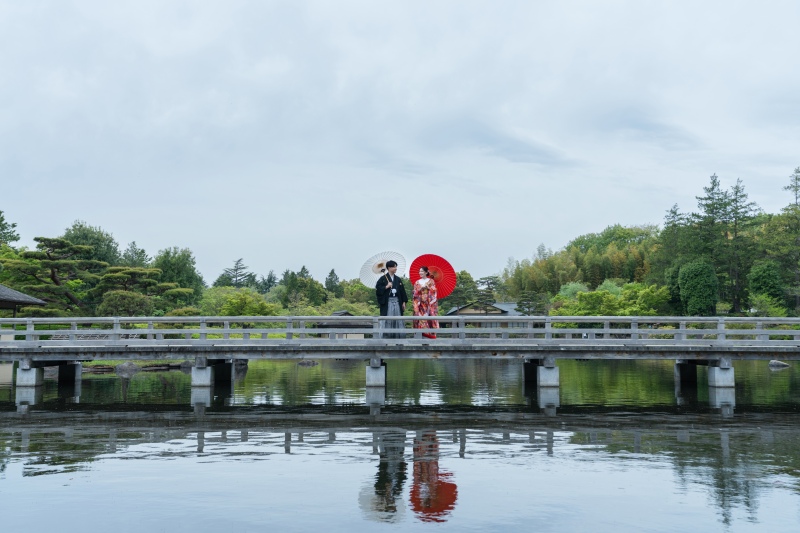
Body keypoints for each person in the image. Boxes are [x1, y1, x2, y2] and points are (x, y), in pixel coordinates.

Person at [375, 260, 408, 338]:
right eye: (394, 266)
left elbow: (402, 291)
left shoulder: (398, 279)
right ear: (389, 268)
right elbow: (378, 290)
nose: (395, 268)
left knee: (398, 319)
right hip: (388, 302)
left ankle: (399, 339)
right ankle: (385, 339)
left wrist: (403, 302)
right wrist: (386, 287)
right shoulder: (382, 279)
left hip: (397, 301)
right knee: (387, 319)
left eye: (396, 266)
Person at [413, 266, 439, 339]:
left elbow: (434, 292)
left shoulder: (431, 281)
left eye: (422, 271)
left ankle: (428, 338)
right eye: (419, 271)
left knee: (429, 319)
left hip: (429, 304)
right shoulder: (417, 282)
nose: (420, 273)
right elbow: (414, 294)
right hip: (420, 304)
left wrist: (429, 289)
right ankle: (422, 337)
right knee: (421, 319)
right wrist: (419, 290)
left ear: (426, 272)